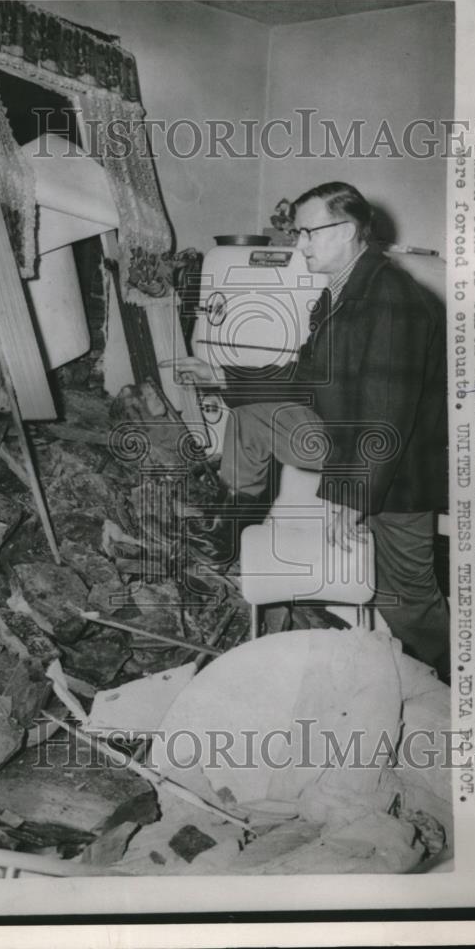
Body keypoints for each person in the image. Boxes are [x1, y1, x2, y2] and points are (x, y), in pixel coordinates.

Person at [168, 182, 450, 678]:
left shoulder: (390, 299)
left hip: (396, 466)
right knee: (253, 418)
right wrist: (225, 376)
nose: (298, 245)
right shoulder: (342, 291)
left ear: (344, 231)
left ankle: (456, 685)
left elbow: (386, 415)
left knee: (404, 596)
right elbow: (304, 378)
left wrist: (349, 494)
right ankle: (226, 527)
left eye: (306, 233)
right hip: (348, 435)